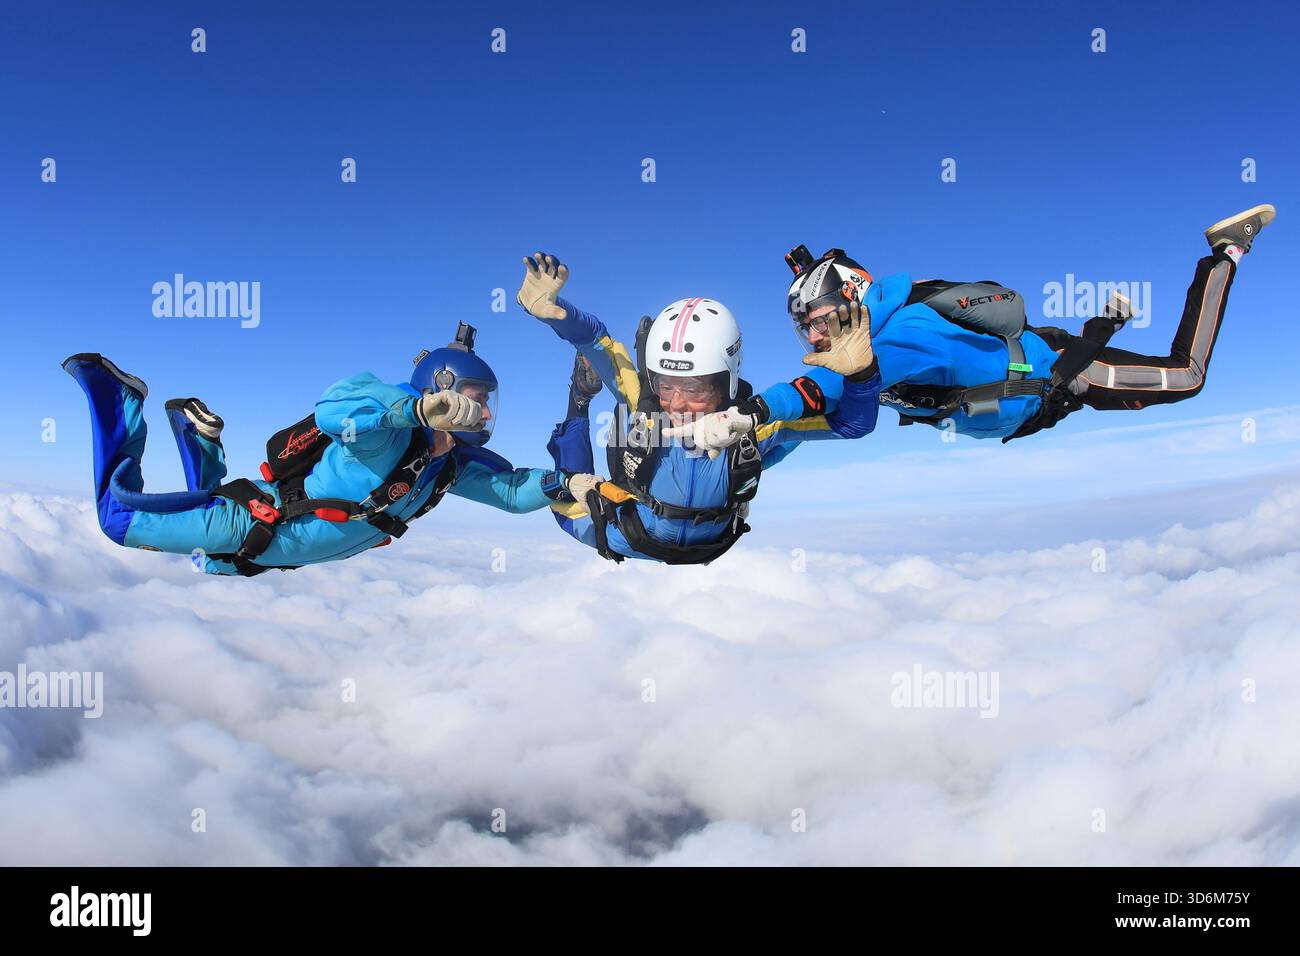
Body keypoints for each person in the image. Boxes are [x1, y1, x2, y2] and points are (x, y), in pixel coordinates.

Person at [684, 204, 1276, 451]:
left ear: (852, 300)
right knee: (1070, 350)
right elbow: (834, 418)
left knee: (1188, 377)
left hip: (1066, 378)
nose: (812, 338)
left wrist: (752, 413)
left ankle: (1224, 255)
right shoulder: (874, 346)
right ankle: (1109, 319)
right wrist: (756, 441)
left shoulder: (897, 335)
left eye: (816, 321)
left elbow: (820, 395)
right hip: (1046, 388)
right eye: (802, 328)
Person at [61, 324, 602, 576]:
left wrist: (565, 485)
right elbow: (333, 410)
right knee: (117, 520)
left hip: (260, 555)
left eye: (489, 403)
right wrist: (410, 411)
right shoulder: (386, 424)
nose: (485, 414)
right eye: (476, 399)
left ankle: (195, 435)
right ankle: (116, 399)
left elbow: (508, 491)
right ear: (441, 387)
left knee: (205, 562)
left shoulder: (446, 469)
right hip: (254, 525)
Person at [515, 252, 882, 564]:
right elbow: (600, 343)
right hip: (631, 531)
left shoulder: (756, 428)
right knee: (564, 494)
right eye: (665, 386)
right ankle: (578, 403)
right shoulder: (646, 403)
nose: (676, 403)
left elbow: (853, 424)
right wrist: (555, 312)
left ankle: (582, 404)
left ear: (726, 385)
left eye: (694, 388)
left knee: (567, 494)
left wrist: (863, 376)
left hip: (713, 540)